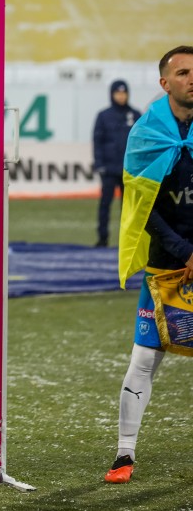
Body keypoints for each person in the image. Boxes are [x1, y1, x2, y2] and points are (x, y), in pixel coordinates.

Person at [106, 45, 193, 484]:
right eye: (183, 73)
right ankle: (124, 453)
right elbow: (143, 208)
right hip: (166, 267)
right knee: (144, 360)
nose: (192, 79)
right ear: (164, 83)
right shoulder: (146, 133)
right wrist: (184, 251)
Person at [93, 79, 141, 247]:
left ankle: (128, 241)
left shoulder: (135, 115)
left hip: (129, 170)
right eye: (118, 93)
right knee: (105, 205)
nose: (121, 96)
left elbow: (141, 142)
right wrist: (99, 164)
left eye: (124, 93)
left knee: (128, 208)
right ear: (112, 94)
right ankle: (102, 238)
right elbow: (97, 141)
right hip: (109, 169)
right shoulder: (103, 116)